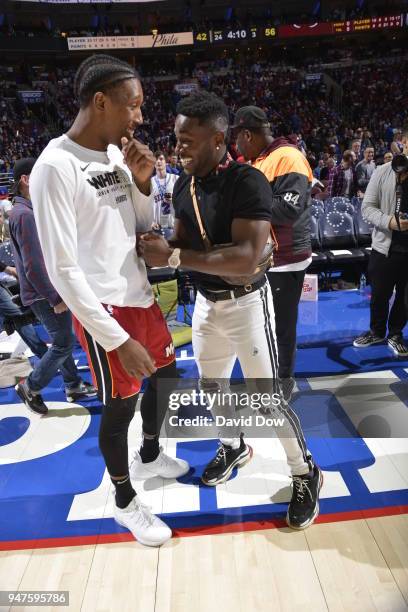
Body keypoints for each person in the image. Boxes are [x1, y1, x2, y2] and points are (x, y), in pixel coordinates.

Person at [140, 91, 322, 531]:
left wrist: (178, 257)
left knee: (268, 401)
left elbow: (244, 259)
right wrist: (166, 247)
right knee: (213, 389)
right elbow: (183, 242)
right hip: (205, 304)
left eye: (188, 140)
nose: (178, 148)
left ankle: (305, 471)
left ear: (219, 139)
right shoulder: (184, 184)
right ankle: (233, 445)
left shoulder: (248, 181)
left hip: (247, 305)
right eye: (176, 138)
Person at [29, 55, 189, 547]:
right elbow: (61, 270)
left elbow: (142, 224)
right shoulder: (54, 167)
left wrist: (143, 185)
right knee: (120, 406)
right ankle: (123, 501)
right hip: (105, 311)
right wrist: (116, 341)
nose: (139, 117)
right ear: (100, 102)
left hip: (140, 295)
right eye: (133, 106)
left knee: (164, 378)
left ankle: (151, 451)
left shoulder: (117, 157)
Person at [232, 105, 313, 402]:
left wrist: (243, 210)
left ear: (247, 135)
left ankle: (284, 379)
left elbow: (288, 209)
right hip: (266, 258)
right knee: (265, 322)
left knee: (281, 324)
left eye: (236, 139)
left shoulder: (288, 157)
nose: (235, 146)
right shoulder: (261, 160)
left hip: (286, 258)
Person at [8, 158, 97, 414]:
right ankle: (31, 386)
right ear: (26, 180)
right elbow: (34, 265)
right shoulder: (24, 215)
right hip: (42, 293)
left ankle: (73, 383)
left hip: (43, 291)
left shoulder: (23, 211)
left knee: (64, 338)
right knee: (63, 343)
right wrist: (53, 296)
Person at [353, 129, 408, 356]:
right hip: (385, 246)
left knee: (405, 299)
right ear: (403, 143)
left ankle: (395, 334)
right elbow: (367, 208)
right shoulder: (383, 171)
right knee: (380, 294)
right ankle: (376, 331)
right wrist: (390, 222)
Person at [151, 150, 179, 235]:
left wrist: (174, 199)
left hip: (173, 227)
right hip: (157, 229)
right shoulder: (150, 182)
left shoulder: (176, 179)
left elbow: (185, 202)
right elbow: (147, 207)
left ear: (166, 162)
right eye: (156, 159)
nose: (158, 161)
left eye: (161, 159)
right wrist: (151, 222)